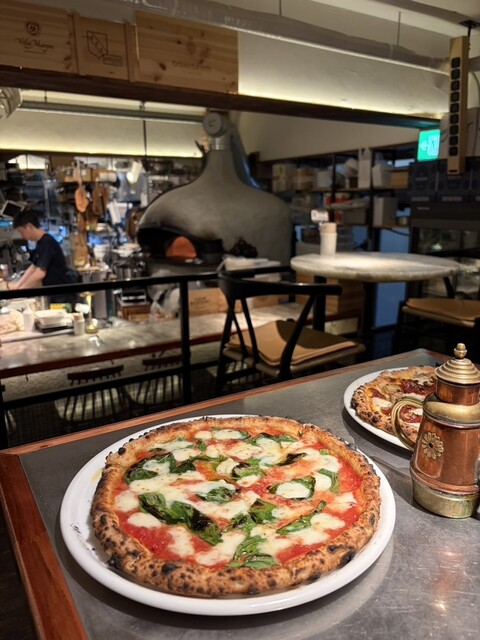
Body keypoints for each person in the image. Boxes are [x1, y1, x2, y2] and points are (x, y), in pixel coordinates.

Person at [10, 209, 71, 290]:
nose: (22, 236)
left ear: (29, 226)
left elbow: (40, 273)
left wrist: (21, 290)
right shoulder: (40, 243)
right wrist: (17, 286)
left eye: (21, 232)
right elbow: (33, 268)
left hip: (62, 293)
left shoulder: (47, 242)